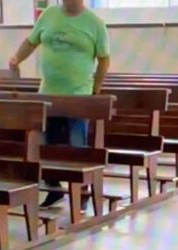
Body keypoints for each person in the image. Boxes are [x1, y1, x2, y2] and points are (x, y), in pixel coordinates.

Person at [9, 0, 110, 207]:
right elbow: (31, 41)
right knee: (48, 143)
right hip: (49, 94)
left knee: (76, 144)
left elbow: (104, 59)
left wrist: (96, 89)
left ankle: (81, 192)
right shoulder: (48, 15)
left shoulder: (95, 23)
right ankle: (54, 188)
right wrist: (17, 58)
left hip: (78, 95)